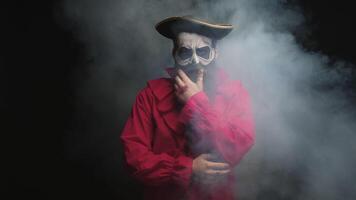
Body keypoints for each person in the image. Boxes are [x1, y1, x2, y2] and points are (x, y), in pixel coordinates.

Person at [120, 16, 255, 200]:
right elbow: (134, 159)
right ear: (174, 54)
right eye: (185, 52)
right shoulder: (150, 96)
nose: (195, 61)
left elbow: (235, 147)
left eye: (203, 52)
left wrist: (196, 102)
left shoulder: (234, 93)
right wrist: (188, 168)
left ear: (216, 53)